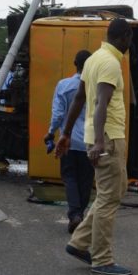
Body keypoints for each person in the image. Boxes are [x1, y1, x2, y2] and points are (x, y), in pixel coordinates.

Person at [56, 18, 133, 275]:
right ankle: (102, 260)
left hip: (97, 135)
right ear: (123, 37)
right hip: (108, 137)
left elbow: (79, 98)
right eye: (129, 39)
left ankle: (79, 243)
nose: (129, 44)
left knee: (108, 194)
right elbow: (101, 102)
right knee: (109, 199)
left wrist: (66, 134)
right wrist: (100, 141)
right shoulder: (111, 63)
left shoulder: (93, 60)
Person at [45, 50, 94, 234]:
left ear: (75, 63)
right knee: (86, 180)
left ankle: (75, 215)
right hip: (89, 141)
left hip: (68, 140)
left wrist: (50, 133)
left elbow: (57, 114)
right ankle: (79, 215)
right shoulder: (96, 86)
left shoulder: (63, 85)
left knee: (70, 177)